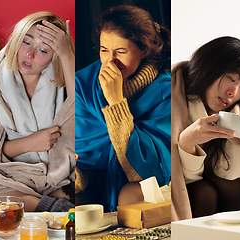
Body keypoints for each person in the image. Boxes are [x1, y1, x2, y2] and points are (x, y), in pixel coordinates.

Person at [75, 5, 171, 212]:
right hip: (88, 183)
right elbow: (78, 152)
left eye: (120, 51)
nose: (110, 60)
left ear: (144, 50)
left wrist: (116, 102)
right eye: (104, 50)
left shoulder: (165, 92)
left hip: (134, 187)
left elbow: (148, 173)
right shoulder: (81, 85)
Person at [0, 12, 78, 212]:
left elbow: (80, 117)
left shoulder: (61, 82)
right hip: (3, 170)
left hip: (52, 169)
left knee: (88, 173)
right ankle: (46, 202)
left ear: (54, 57)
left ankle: (37, 198)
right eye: (26, 43)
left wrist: (67, 55)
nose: (29, 55)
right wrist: (29, 143)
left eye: (43, 50)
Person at [170, 36, 240, 220]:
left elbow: (232, 173)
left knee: (230, 185)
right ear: (209, 67)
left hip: (214, 184)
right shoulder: (173, 92)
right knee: (204, 191)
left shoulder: (235, 111)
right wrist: (186, 143)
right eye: (231, 78)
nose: (233, 92)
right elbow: (185, 179)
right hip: (173, 187)